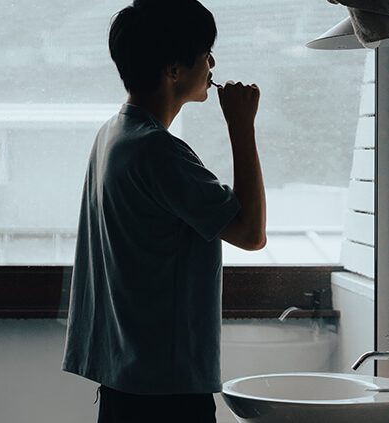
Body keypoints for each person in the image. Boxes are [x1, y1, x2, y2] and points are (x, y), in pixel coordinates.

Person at [61, 0, 267, 422]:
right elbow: (251, 234)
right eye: (204, 52)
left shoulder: (113, 134)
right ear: (173, 70)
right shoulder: (156, 150)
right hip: (166, 392)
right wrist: (242, 126)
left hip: (126, 380)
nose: (212, 63)